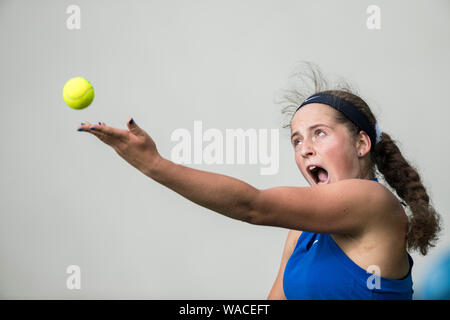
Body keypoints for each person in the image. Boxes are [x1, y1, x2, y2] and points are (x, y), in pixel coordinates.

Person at [76, 62, 441, 299]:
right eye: (297, 140)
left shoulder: (375, 204)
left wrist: (153, 164)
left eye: (319, 134)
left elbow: (253, 206)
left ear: (362, 143)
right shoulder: (301, 233)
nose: (305, 149)